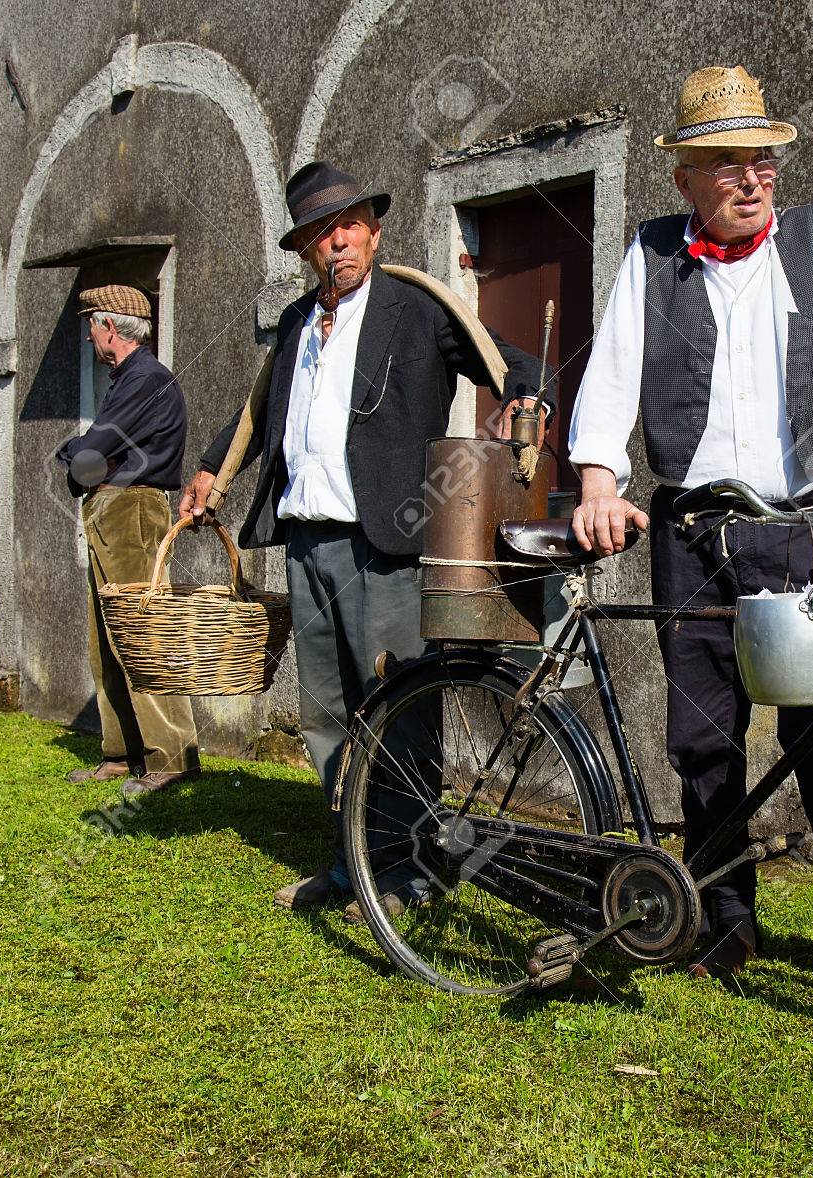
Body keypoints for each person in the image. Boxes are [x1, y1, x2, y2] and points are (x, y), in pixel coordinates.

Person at [559, 67, 813, 993]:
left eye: (764, 160)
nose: (752, 178)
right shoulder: (651, 259)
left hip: (802, 532)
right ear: (685, 180)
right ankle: (724, 917)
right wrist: (597, 484)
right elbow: (609, 382)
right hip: (694, 536)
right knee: (704, 740)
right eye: (727, 163)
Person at [180, 161, 550, 914]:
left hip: (385, 546)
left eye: (350, 226)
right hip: (307, 543)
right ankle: (353, 860)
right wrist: (213, 469)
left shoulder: (418, 308)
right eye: (322, 233)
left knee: (398, 708)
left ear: (375, 233)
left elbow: (511, 363)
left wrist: (525, 399)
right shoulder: (295, 324)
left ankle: (410, 870)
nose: (339, 242)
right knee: (326, 713)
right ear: (304, 250)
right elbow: (259, 414)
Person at [56, 285, 201, 797]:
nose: (90, 336)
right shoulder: (132, 379)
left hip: (132, 508)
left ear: (110, 328)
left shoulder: (145, 378)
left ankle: (173, 756)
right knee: (107, 635)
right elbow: (91, 459)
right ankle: (122, 752)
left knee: (143, 632)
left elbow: (91, 450)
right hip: (115, 507)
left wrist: (78, 450)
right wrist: (85, 456)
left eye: (91, 325)